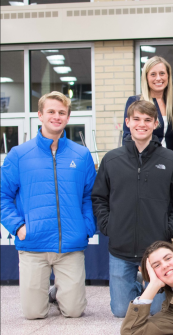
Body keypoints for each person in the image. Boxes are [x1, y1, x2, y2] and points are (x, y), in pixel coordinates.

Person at [92, 100, 173, 318]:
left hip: (155, 250)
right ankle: (139, 281)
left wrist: (167, 229)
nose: (142, 124)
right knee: (120, 311)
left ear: (156, 124)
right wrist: (109, 226)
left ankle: (148, 281)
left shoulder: (170, 159)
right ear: (127, 122)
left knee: (156, 311)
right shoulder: (112, 159)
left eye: (148, 120)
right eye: (136, 119)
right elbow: (99, 197)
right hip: (121, 248)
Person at [1, 91, 96, 319]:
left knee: (74, 311)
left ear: (68, 117)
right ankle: (49, 293)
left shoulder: (81, 155)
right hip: (33, 244)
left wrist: (86, 228)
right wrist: (18, 227)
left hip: (70, 245)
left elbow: (90, 197)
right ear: (40, 115)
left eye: (62, 112)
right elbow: (3, 196)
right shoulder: (19, 155)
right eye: (51, 112)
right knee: (34, 314)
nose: (56, 116)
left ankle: (56, 293)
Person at [122, 56, 173, 151]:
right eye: (153, 74)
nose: (158, 78)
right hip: (145, 160)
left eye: (162, 73)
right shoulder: (135, 102)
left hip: (170, 161)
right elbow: (127, 137)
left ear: (168, 76)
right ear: (146, 78)